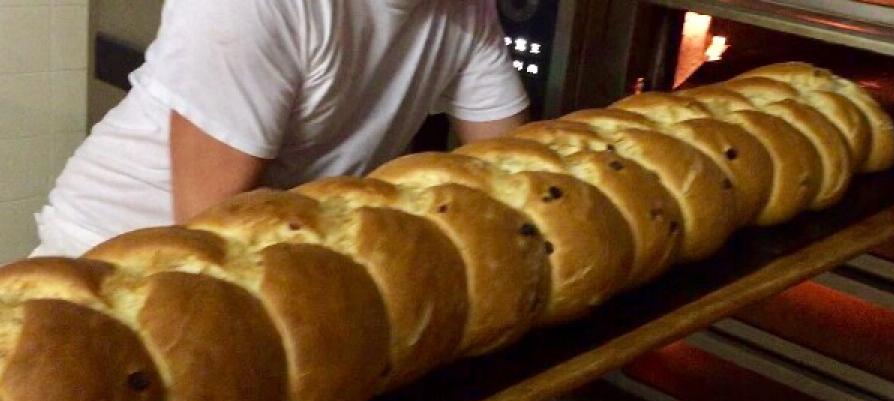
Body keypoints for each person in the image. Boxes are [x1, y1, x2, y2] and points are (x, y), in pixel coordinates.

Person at [32, 0, 530, 257]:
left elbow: (513, 176)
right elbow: (212, 235)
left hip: (274, 252)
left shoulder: (467, 9)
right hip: (110, 253)